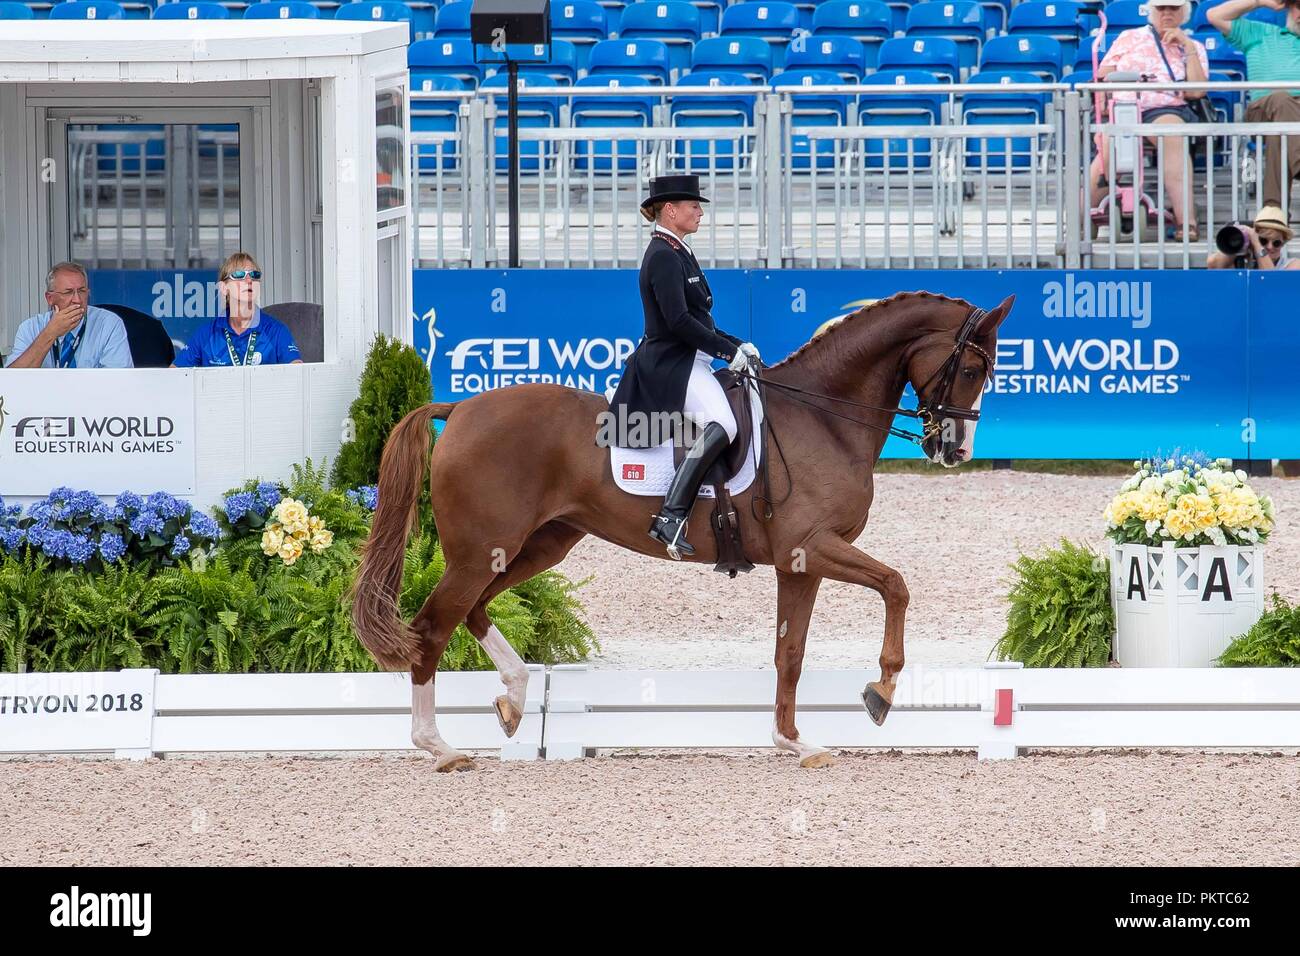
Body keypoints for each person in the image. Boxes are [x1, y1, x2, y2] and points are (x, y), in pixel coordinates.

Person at [609, 175, 760, 560]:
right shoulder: (661, 255)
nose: (700, 212)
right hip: (671, 365)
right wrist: (727, 353)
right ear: (670, 210)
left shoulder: (678, 251)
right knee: (724, 424)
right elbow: (677, 322)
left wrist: (735, 343)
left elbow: (699, 319)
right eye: (694, 206)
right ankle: (671, 516)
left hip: (691, 357)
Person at [1089, 0, 1210, 240]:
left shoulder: (1193, 46)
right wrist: (1102, 104)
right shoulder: (1129, 37)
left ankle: (1187, 222)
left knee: (1172, 135)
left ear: (1183, 13)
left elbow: (1197, 91)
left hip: (1164, 107)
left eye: (1173, 8)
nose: (1167, 13)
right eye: (1161, 8)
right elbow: (1102, 76)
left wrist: (1186, 45)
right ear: (1152, 11)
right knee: (1107, 150)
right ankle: (1080, 219)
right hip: (1124, 107)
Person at [1209, 0, 1300, 218]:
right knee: (1281, 100)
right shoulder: (1261, 33)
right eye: (1298, 6)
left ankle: (1273, 212)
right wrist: (1259, 1)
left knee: (1281, 135)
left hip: (1284, 124)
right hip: (1265, 109)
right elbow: (1214, 15)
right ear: (1288, 8)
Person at [172, 252, 301, 368]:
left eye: (254, 275)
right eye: (239, 275)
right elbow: (173, 375)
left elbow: (298, 375)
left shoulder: (276, 331)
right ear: (224, 288)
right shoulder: (206, 334)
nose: (249, 280)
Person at [5, 262, 132, 369]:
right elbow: (12, 381)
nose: (77, 300)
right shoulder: (29, 328)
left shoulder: (109, 324)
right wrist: (50, 333)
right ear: (50, 298)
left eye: (82, 291)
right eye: (68, 292)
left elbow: (119, 384)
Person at [1206, 204, 1300, 267]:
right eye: (1263, 241)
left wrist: (1258, 244)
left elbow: (1270, 279)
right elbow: (1212, 264)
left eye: (1276, 243)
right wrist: (1238, 244)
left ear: (1283, 243)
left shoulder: (1293, 265)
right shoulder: (1242, 261)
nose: (1270, 247)